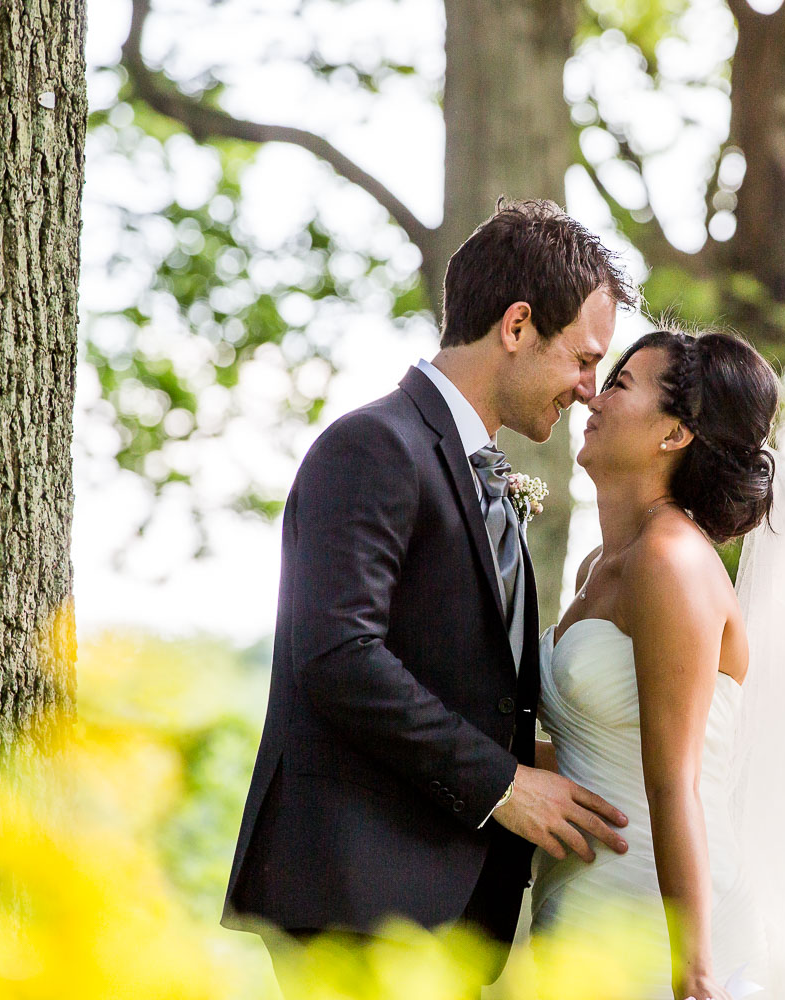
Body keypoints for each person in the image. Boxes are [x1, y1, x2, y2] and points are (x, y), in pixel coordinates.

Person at [221, 199, 637, 995]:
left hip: (446, 908)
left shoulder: (487, 474)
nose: (589, 389)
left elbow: (469, 686)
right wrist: (506, 786)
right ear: (516, 327)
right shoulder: (374, 446)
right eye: (583, 359)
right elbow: (338, 657)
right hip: (358, 899)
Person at [532, 329, 785, 1000]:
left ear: (674, 435)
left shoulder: (672, 562)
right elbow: (600, 754)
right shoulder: (596, 567)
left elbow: (676, 781)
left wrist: (693, 973)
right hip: (578, 909)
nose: (591, 396)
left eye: (621, 384)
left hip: (655, 921)